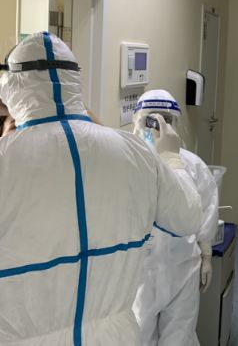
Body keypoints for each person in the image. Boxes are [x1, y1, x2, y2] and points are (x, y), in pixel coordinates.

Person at [0, 32, 203, 345]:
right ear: (75, 82)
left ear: (11, 87)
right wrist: (171, 160)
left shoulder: (6, 159)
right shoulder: (134, 153)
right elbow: (190, 216)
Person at [132, 89, 219, 346]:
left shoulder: (192, 165)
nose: (159, 126)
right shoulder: (128, 161)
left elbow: (206, 209)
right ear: (137, 121)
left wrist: (206, 255)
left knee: (180, 336)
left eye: (166, 120)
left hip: (183, 264)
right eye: (151, 119)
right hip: (140, 269)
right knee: (137, 336)